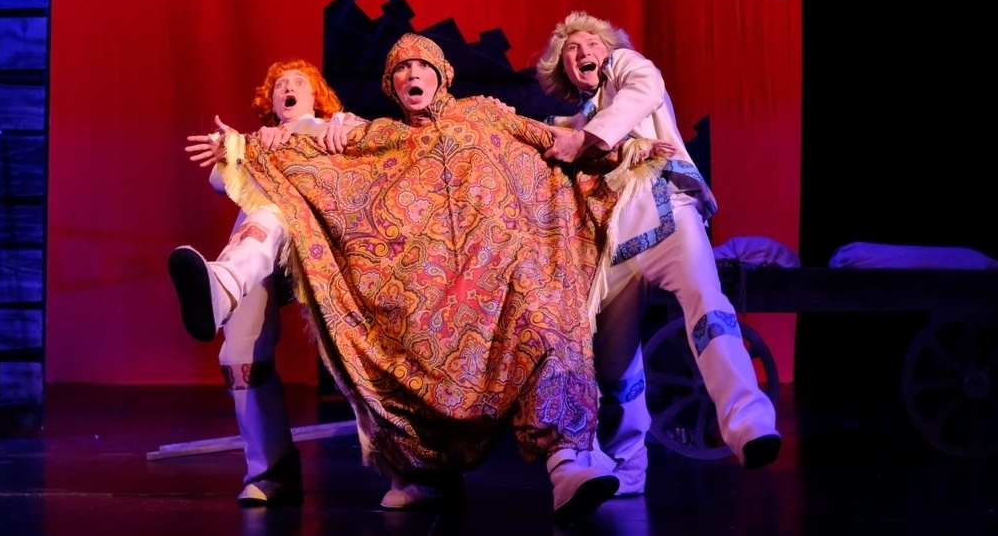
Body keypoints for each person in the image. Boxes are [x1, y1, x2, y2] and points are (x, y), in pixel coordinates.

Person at [212, 33, 671, 520]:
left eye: (421, 66)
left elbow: (550, 141)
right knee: (402, 343)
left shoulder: (484, 112)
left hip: (504, 271)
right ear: (391, 85)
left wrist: (625, 152)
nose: (412, 74)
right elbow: (315, 163)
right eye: (401, 69)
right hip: (427, 288)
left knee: (546, 321)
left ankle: (567, 463)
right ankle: (426, 474)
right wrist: (243, 145)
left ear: (442, 75)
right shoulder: (381, 136)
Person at [532, 11, 782, 495]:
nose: (584, 52)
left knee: (706, 302)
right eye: (572, 49)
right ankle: (627, 466)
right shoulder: (572, 121)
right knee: (615, 362)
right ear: (562, 68)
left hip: (668, 215)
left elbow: (645, 90)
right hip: (614, 243)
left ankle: (748, 420)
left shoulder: (627, 69)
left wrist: (584, 140)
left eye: (592, 43)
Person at [167, 58, 357, 507]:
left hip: (323, 251)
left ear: (316, 97)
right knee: (240, 358)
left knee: (270, 216)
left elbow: (371, 149)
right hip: (261, 257)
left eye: (298, 83)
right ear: (271, 102)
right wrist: (231, 148)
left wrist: (344, 125)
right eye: (279, 86)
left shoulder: (335, 128)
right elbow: (220, 181)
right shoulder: (257, 142)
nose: (287, 89)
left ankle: (222, 284)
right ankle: (271, 471)